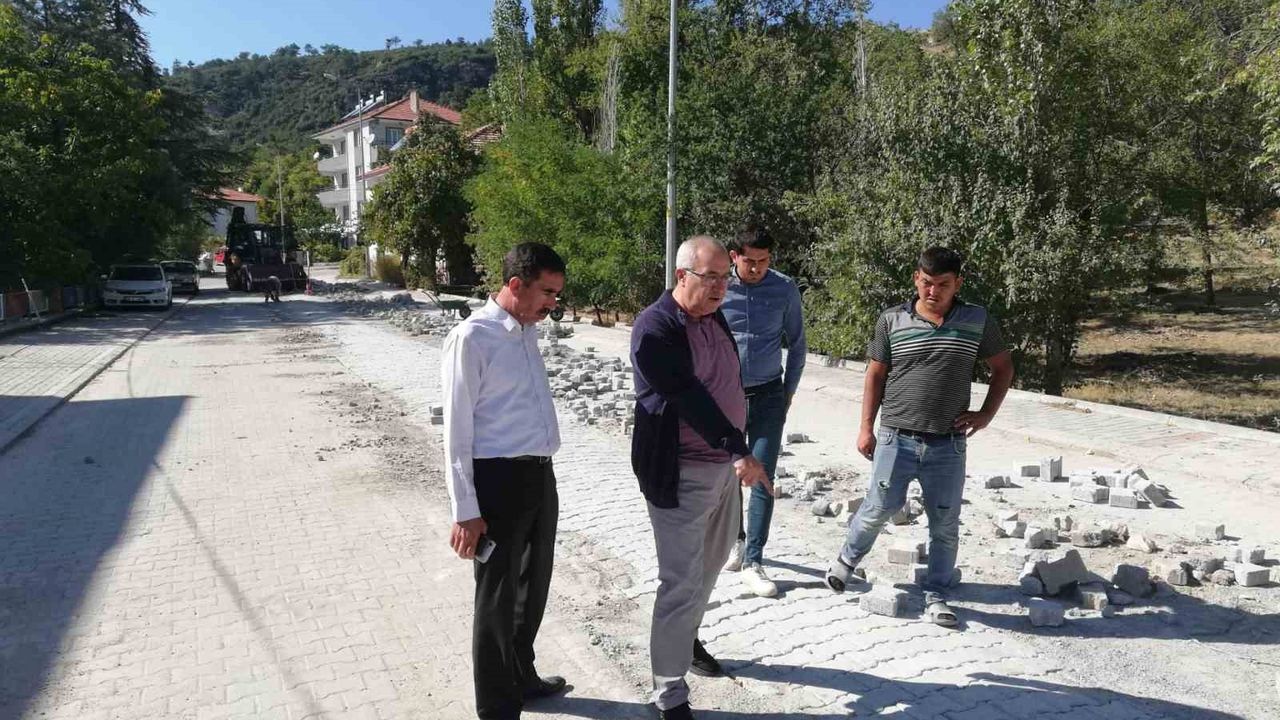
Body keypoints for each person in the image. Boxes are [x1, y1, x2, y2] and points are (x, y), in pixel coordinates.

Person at [824, 246, 1014, 628]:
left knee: (944, 522)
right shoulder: (892, 319)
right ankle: (846, 562)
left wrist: (986, 415)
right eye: (926, 283)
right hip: (896, 437)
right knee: (878, 507)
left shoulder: (976, 320)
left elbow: (1003, 368)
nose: (933, 291)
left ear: (957, 283)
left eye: (943, 284)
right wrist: (865, 427)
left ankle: (936, 595)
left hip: (948, 443)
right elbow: (875, 374)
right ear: (916, 279)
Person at [630, 235, 772, 720]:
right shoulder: (654, 328)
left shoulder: (713, 317)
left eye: (724, 278)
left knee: (708, 570)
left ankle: (685, 642)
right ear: (681, 276)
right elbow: (688, 396)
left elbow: (727, 384)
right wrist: (740, 449)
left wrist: (736, 453)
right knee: (680, 582)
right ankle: (668, 692)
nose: (719, 287)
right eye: (709, 278)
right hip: (681, 472)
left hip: (723, 471)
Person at [442, 242, 569, 720]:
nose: (552, 303)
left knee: (532, 587)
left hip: (538, 476)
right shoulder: (472, 338)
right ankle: (497, 707)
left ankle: (521, 675)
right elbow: (456, 432)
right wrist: (465, 509)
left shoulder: (526, 330)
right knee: (497, 597)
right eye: (547, 292)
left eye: (556, 294)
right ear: (516, 285)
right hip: (497, 482)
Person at [718, 225, 807, 598]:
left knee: (763, 476)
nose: (756, 268)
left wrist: (788, 393)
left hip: (769, 394)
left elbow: (798, 344)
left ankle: (754, 560)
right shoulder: (719, 286)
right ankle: (738, 541)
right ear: (734, 256)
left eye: (764, 261)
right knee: (729, 476)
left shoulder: (784, 289)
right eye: (749, 261)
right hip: (726, 397)